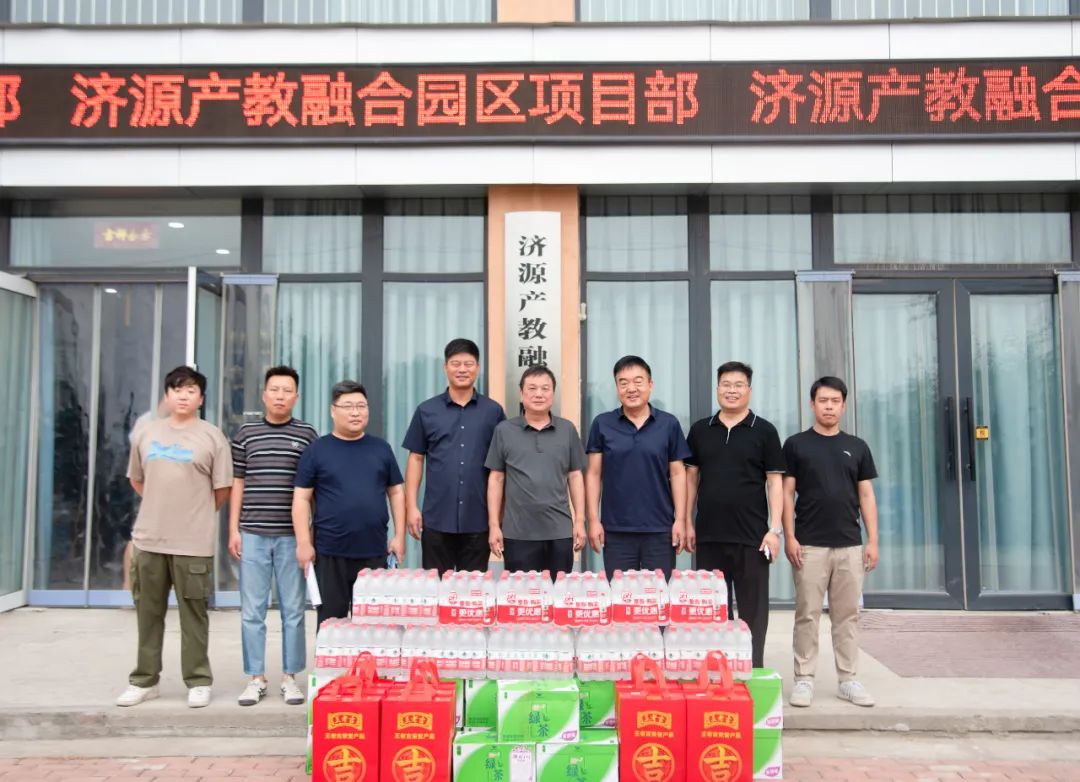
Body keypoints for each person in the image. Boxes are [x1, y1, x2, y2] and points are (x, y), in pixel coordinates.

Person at [116, 366, 232, 709]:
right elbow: (137, 480)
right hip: (149, 539)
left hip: (193, 543)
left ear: (201, 398)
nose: (183, 396)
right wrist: (161, 506)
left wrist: (194, 514)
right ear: (167, 396)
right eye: (177, 389)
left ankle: (198, 680)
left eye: (191, 390)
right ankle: (144, 680)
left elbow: (222, 489)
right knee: (148, 614)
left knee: (193, 615)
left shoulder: (212, 437)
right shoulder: (147, 434)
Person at [783, 376, 879, 709]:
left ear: (843, 405)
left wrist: (872, 540)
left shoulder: (857, 446)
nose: (828, 407)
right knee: (807, 614)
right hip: (809, 544)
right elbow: (786, 493)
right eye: (823, 401)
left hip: (850, 544)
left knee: (847, 615)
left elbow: (866, 495)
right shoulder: (796, 445)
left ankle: (848, 679)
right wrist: (789, 536)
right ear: (812, 404)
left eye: (835, 401)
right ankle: (804, 679)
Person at [685, 361, 785, 670]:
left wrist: (774, 530)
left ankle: (752, 671)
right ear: (717, 389)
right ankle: (718, 672)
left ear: (749, 390)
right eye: (726, 384)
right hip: (709, 536)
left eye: (738, 385)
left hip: (752, 538)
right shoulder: (701, 430)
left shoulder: (765, 431)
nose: (731, 390)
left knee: (753, 613)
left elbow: (775, 482)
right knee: (713, 612)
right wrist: (686, 521)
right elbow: (691, 479)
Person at [228, 366, 318, 707]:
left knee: (293, 609)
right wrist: (233, 529)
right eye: (275, 390)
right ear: (264, 395)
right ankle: (255, 678)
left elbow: (313, 489)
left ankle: (290, 677)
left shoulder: (307, 435)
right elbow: (238, 483)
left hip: (291, 536)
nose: (281, 396)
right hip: (252, 533)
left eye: (287, 390)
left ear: (296, 396)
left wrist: (308, 536)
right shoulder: (246, 434)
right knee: (252, 610)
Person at [292, 380, 405, 626]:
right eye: (348, 406)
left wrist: (399, 535)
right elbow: (301, 498)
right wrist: (303, 542)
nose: (356, 412)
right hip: (330, 552)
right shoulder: (317, 450)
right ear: (333, 411)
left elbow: (396, 492)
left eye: (361, 406)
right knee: (332, 626)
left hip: (374, 551)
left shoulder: (381, 449)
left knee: (374, 627)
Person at [403, 338, 506, 576]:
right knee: (436, 589)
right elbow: (416, 459)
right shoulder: (427, 410)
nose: (462, 369)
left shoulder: (493, 412)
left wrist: (498, 518)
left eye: (468, 364)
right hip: (437, 518)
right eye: (456, 363)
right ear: (445, 367)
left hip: (478, 518)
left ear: (477, 368)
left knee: (473, 592)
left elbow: (501, 469)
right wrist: (412, 507)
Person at [585, 355, 691, 581]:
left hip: (660, 529)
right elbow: (593, 474)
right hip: (616, 530)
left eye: (638, 381)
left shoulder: (668, 424)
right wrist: (593, 520)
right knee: (620, 597)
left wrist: (680, 520)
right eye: (623, 383)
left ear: (650, 385)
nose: (631, 389)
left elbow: (677, 473)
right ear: (617, 388)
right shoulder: (602, 424)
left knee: (659, 596)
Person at [485, 366, 586, 577]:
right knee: (521, 594)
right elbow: (496, 479)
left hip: (559, 532)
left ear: (553, 394)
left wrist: (579, 521)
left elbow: (575, 476)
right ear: (521, 394)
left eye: (545, 388)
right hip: (517, 534)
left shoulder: (567, 430)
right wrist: (494, 525)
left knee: (559, 593)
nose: (538, 394)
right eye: (532, 388)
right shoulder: (504, 430)